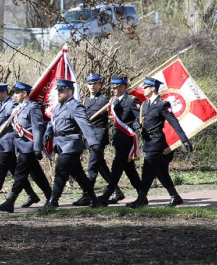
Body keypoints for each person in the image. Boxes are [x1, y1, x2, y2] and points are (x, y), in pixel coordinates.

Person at [126, 77, 193, 208]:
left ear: (152, 88)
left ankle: (140, 200)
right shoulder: (144, 104)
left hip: (157, 141)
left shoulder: (163, 104)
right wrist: (136, 124)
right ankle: (175, 196)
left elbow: (174, 122)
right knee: (160, 171)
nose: (143, 90)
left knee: (147, 169)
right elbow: (140, 120)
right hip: (147, 141)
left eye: (145, 87)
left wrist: (184, 140)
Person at [40, 79, 103, 210]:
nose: (59, 93)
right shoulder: (59, 106)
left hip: (71, 144)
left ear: (69, 91)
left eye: (61, 91)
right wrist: (47, 135)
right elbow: (53, 123)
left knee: (60, 171)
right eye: (58, 91)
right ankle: (94, 200)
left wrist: (93, 142)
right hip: (61, 144)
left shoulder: (76, 106)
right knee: (78, 174)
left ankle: (53, 202)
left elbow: (84, 124)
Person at [0, 83, 41, 209]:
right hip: (2, 142)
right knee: (16, 172)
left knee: (1, 171)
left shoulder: (12, 105)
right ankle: (32, 195)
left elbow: (11, 124)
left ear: (4, 93)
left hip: (11, 143)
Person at [0, 81, 53, 213]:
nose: (15, 95)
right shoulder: (19, 108)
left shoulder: (33, 107)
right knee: (37, 174)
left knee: (20, 174)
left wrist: (37, 148)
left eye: (17, 92)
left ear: (24, 93)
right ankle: (51, 197)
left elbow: (37, 128)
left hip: (29, 146)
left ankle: (10, 201)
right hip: (20, 146)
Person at [73, 74, 118, 206]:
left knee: (92, 166)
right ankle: (116, 190)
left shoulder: (105, 100)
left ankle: (87, 195)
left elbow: (110, 116)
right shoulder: (85, 101)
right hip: (89, 134)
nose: (92, 86)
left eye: (95, 84)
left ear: (99, 85)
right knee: (101, 165)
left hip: (99, 134)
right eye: (90, 84)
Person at [97, 76, 143, 205]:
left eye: (116, 87)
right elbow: (112, 118)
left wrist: (136, 124)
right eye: (113, 87)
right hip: (118, 138)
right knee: (129, 169)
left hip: (128, 139)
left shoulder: (131, 101)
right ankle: (142, 194)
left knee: (116, 166)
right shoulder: (113, 101)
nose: (113, 90)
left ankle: (107, 193)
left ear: (123, 87)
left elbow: (138, 117)